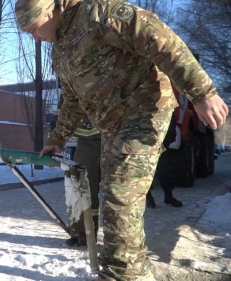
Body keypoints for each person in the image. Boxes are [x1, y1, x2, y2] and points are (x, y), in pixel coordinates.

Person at [15, 0, 228, 280]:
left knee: (120, 193)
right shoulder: (60, 50)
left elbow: (157, 37)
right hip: (112, 125)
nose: (35, 38)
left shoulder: (97, 13)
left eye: (34, 28)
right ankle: (132, 270)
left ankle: (123, 274)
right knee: (112, 192)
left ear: (50, 11)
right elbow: (72, 100)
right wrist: (57, 138)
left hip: (143, 110)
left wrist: (201, 92)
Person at [50, 95, 102, 246]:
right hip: (87, 140)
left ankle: (120, 244)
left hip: (120, 133)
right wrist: (54, 141)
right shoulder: (70, 77)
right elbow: (62, 110)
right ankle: (82, 235)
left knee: (119, 193)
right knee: (80, 189)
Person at [146, 114, 183, 208]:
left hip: (161, 140)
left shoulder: (165, 101)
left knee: (164, 169)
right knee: (145, 170)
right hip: (144, 140)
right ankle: (148, 198)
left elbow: (170, 118)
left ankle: (168, 196)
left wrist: (170, 136)